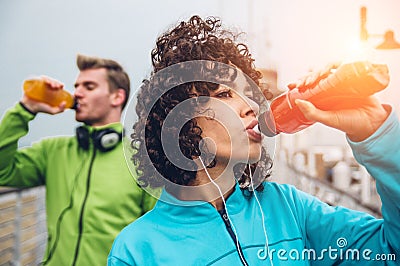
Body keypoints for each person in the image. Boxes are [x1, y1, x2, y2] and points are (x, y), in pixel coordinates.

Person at [108, 16, 400, 265]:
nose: (251, 106)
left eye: (249, 94)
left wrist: (377, 132)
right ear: (178, 121)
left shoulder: (289, 209)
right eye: (223, 94)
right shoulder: (137, 250)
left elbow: (391, 250)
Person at [0, 54, 156, 265]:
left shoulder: (141, 159)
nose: (77, 93)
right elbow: (3, 170)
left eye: (89, 87)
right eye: (77, 86)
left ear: (117, 97)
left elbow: (154, 236)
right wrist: (26, 108)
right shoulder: (52, 151)